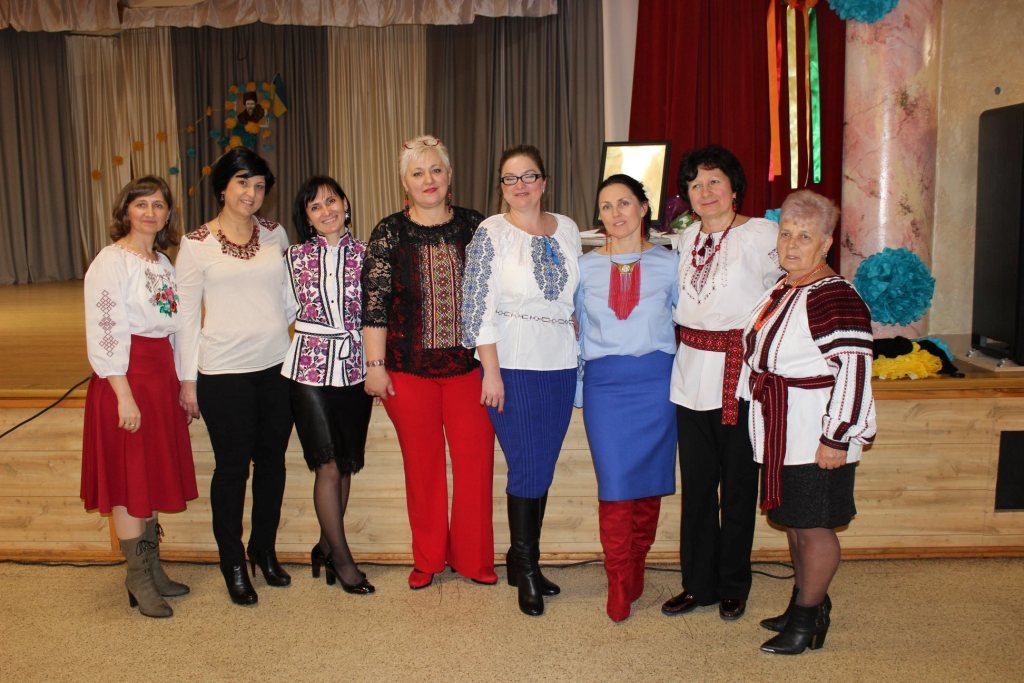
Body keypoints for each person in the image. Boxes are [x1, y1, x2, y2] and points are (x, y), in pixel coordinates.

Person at [742, 189, 876, 654]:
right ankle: (807, 605)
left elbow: (854, 369)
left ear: (826, 243)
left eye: (804, 236)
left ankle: (806, 621)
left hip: (815, 429)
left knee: (815, 526)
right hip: (784, 428)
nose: (792, 244)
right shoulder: (786, 287)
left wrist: (836, 437)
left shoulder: (833, 296)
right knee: (796, 523)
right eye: (786, 234)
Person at [361, 135, 497, 591]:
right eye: (417, 173)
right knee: (422, 470)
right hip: (407, 371)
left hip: (468, 370)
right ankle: (428, 559)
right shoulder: (389, 232)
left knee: (475, 466)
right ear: (405, 182)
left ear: (450, 175)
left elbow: (494, 295)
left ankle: (474, 559)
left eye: (436, 169)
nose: (428, 179)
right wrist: (374, 365)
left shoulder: (477, 226)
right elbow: (374, 304)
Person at [662, 145, 783, 621]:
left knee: (737, 488)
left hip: (741, 381)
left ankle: (734, 584)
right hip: (689, 377)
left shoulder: (762, 234)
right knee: (696, 489)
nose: (705, 191)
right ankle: (698, 584)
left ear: (735, 187)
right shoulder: (685, 238)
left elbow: (794, 284)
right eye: (696, 184)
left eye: (715, 181)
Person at [462, 144, 582, 617]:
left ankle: (520, 559)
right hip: (511, 364)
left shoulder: (567, 228)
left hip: (560, 364)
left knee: (542, 466)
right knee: (527, 468)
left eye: (529, 175)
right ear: (501, 187)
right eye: (510, 178)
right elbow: (476, 306)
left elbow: (575, 298)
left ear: (544, 181)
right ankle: (527, 568)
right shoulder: (491, 232)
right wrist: (490, 370)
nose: (520, 185)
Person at [176, 148, 294, 606]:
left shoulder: (275, 233)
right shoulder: (195, 243)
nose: (251, 193)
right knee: (231, 470)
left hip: (276, 367)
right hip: (223, 373)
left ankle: (263, 548)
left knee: (272, 464)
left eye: (259, 185)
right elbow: (186, 317)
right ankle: (232, 561)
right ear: (222, 187)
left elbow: (289, 297)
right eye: (243, 182)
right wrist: (188, 381)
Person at [81, 176, 197, 618]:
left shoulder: (163, 263)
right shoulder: (111, 261)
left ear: (168, 214)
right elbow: (105, 330)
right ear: (126, 211)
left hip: (159, 379)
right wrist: (123, 394)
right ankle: (137, 577)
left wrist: (181, 382)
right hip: (126, 381)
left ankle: (152, 567)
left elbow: (174, 328)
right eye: (141, 204)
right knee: (130, 482)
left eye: (159, 205)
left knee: (147, 475)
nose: (150, 212)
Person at [575, 174, 678, 622]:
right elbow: (576, 328)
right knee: (615, 487)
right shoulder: (584, 267)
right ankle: (617, 578)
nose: (615, 213)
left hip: (657, 384)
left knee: (649, 486)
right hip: (605, 386)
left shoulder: (670, 263)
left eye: (624, 203)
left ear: (643, 208)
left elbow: (686, 320)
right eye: (606, 206)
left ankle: (637, 563)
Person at [285, 176, 375, 595]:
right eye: (315, 206)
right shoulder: (292, 258)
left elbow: (378, 313)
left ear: (345, 203)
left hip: (355, 367)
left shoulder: (369, 255)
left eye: (332, 200)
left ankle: (324, 546)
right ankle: (342, 560)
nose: (326, 211)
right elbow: (280, 310)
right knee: (328, 465)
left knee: (347, 462)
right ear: (306, 217)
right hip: (309, 368)